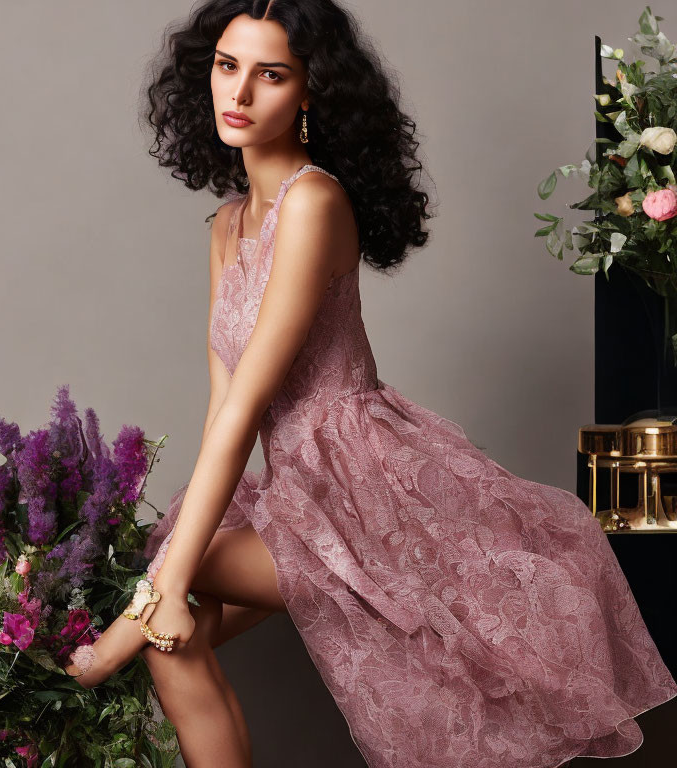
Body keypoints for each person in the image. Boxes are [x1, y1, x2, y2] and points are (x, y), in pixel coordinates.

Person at [64, 2, 677, 767]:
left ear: (311, 92)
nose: (240, 93)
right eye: (227, 66)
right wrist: (168, 584)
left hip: (364, 485)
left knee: (163, 610)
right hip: (295, 488)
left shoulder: (314, 202)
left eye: (271, 74)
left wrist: (138, 610)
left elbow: (252, 398)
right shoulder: (226, 227)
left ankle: (126, 634)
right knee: (173, 631)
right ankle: (143, 628)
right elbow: (224, 407)